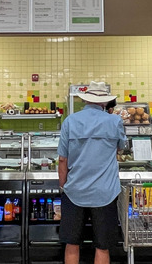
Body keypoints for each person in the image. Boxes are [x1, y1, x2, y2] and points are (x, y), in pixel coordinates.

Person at [58, 81, 127, 264]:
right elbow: (121, 147)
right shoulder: (115, 121)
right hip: (105, 191)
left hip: (75, 190)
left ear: (85, 100)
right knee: (102, 246)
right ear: (104, 102)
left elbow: (62, 159)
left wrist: (63, 185)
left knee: (72, 244)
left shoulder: (70, 121)